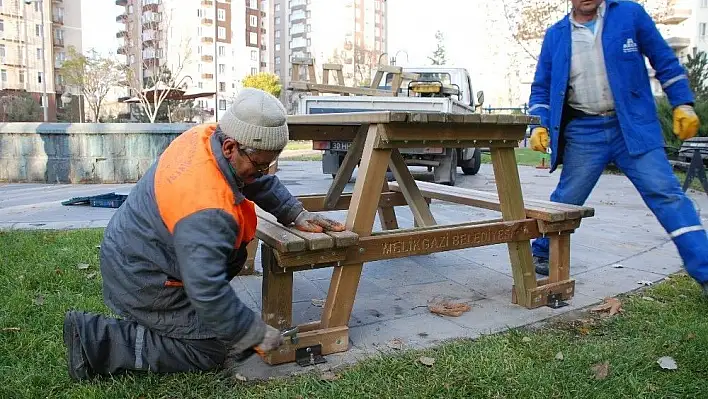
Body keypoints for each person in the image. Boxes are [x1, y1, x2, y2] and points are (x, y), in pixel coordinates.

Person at [62, 88, 346, 381]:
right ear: (230, 147)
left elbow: (256, 180)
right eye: (259, 164)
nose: (263, 172)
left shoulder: (210, 137)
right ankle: (94, 340)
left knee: (220, 323)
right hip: (142, 279)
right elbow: (207, 290)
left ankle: (166, 322)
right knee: (211, 348)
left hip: (138, 254)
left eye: (269, 164)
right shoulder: (207, 207)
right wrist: (254, 334)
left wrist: (295, 213)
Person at [527, 0, 708, 297]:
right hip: (585, 131)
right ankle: (543, 252)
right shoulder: (556, 34)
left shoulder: (629, 14)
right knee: (566, 200)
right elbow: (541, 88)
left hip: (633, 126)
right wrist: (539, 123)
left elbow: (664, 59)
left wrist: (683, 103)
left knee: (667, 195)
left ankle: (705, 271)